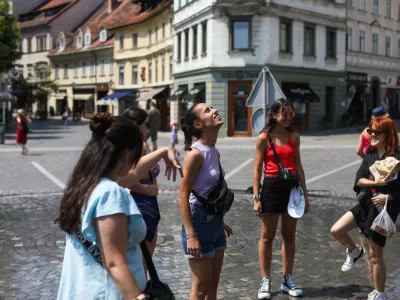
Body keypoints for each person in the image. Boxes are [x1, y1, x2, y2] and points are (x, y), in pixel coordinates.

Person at [56, 113, 182, 300]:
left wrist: (164, 152)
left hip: (80, 290)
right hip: (108, 292)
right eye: (136, 155)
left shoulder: (82, 186)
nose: (135, 163)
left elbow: (133, 175)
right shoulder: (110, 194)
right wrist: (138, 297)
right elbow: (114, 262)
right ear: (125, 153)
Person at [331, 116, 400, 300]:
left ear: (388, 134)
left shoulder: (396, 157)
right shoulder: (370, 155)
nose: (373, 135)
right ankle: (354, 250)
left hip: (383, 212)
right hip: (365, 204)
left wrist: (388, 196)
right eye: (371, 131)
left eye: (378, 132)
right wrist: (374, 182)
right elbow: (358, 180)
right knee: (337, 230)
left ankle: (380, 292)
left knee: (375, 254)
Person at [253, 98, 310, 299]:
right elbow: (258, 168)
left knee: (290, 236)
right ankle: (265, 280)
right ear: (274, 114)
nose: (288, 117)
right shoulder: (264, 138)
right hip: (270, 187)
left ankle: (287, 279)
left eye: (290, 114)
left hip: (291, 188)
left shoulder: (294, 136)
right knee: (267, 237)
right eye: (284, 113)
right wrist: (256, 197)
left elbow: (299, 166)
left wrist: (305, 193)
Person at [179, 103, 233, 300]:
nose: (215, 110)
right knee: (200, 288)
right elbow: (183, 196)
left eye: (212, 107)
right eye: (208, 111)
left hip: (214, 222)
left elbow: (206, 190)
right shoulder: (195, 154)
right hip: (198, 223)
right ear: (198, 124)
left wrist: (220, 221)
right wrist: (191, 234)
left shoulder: (213, 150)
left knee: (212, 287)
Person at [119, 107, 161, 264]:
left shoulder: (139, 144)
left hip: (144, 201)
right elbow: (129, 178)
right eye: (146, 125)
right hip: (141, 202)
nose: (148, 128)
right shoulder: (138, 147)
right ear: (136, 126)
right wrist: (149, 191)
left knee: (140, 259)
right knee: (144, 261)